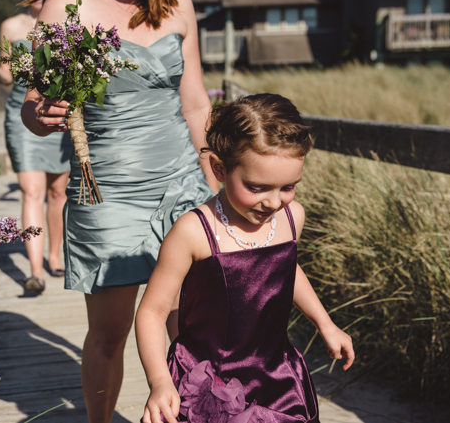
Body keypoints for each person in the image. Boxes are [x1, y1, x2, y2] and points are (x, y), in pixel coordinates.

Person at [20, 0, 219, 421]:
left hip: (183, 181)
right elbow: (33, 103)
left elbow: (196, 102)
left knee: (191, 326)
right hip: (107, 188)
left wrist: (211, 180)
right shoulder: (65, 7)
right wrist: (41, 115)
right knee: (110, 333)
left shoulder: (177, 1)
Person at [135, 94, 356, 423]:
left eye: (288, 187)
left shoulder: (292, 217)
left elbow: (285, 270)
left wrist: (326, 324)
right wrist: (160, 381)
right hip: (211, 383)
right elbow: (152, 312)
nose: (273, 202)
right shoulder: (194, 231)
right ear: (220, 169)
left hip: (277, 376)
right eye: (257, 187)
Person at [0, 0, 73, 293]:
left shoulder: (70, 19)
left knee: (58, 193)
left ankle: (55, 257)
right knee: (32, 192)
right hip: (24, 113)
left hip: (60, 114)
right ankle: (35, 271)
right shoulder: (11, 26)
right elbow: (7, 77)